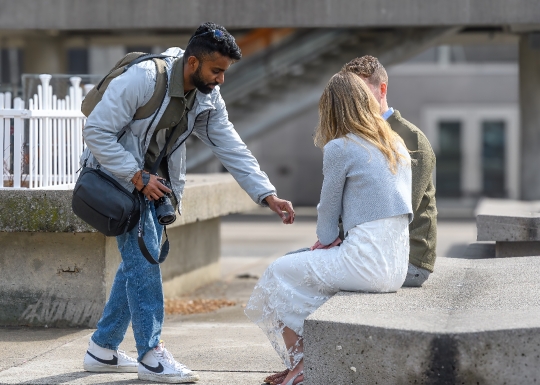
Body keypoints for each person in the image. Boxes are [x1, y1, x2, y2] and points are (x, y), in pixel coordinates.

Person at [81, 22, 295, 384]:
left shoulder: (207, 97)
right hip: (117, 177)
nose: (221, 80)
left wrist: (267, 193)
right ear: (193, 63)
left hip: (153, 186)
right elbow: (96, 130)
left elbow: (231, 147)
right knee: (144, 258)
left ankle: (102, 348)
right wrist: (137, 176)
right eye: (217, 71)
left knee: (139, 259)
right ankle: (150, 355)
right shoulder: (144, 80)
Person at [246, 71, 413, 385]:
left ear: (331, 109)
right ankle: (306, 364)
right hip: (395, 266)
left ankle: (302, 365)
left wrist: (326, 241)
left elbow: (327, 214)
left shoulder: (342, 147)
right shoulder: (395, 143)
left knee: (277, 273)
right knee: (298, 272)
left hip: (365, 263)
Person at [343, 55, 437, 288]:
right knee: (297, 264)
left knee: (308, 273)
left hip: (408, 260)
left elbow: (399, 213)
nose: (354, 101)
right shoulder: (359, 137)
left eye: (361, 93)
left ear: (382, 89)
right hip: (372, 249)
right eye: (349, 94)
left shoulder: (410, 138)